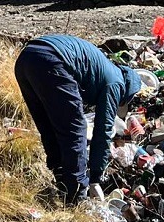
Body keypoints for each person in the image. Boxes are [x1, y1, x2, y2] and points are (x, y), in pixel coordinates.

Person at [13, 34, 148, 205]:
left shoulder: (106, 69)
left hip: (26, 58)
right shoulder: (116, 83)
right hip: (53, 60)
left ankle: (61, 177)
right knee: (75, 130)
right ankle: (76, 197)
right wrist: (95, 179)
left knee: (48, 125)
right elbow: (103, 131)